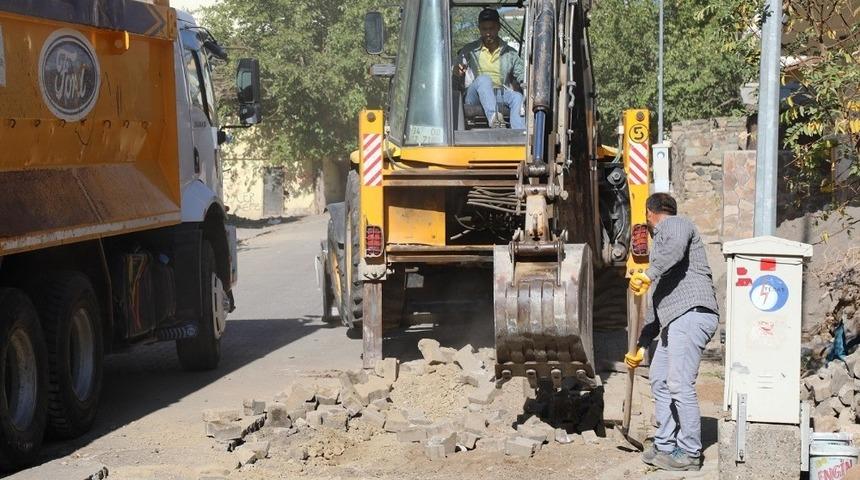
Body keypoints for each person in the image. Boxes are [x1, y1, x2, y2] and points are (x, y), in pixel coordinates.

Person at [624, 193, 719, 472]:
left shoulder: (676, 225)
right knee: (659, 380)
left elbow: (674, 249)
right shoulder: (664, 258)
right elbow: (657, 302)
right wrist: (642, 345)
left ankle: (689, 452)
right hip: (674, 321)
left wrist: (648, 273)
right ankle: (665, 444)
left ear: (650, 213)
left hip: (691, 313)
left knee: (678, 383)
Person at [453, 8, 525, 129]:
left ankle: (519, 133)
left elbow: (522, 74)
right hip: (474, 95)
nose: (487, 33)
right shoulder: (469, 50)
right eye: (484, 29)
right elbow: (457, 68)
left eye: (491, 28)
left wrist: (525, 82)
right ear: (479, 29)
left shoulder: (510, 53)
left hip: (499, 93)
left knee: (517, 97)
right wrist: (457, 71)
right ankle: (495, 120)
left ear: (498, 28)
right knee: (484, 79)